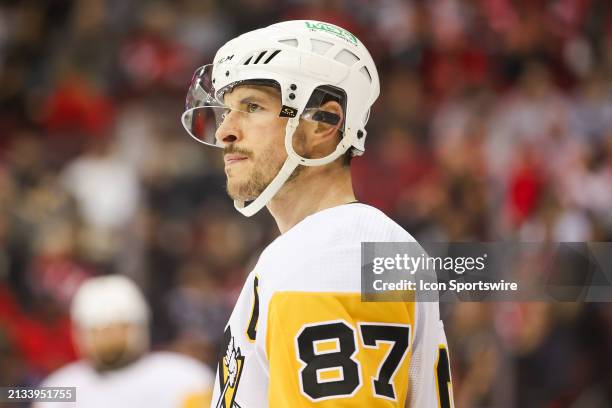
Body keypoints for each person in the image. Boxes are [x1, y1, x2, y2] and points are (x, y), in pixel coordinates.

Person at [181, 20, 454, 407]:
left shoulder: (328, 255)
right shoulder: (341, 245)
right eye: (226, 111)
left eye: (252, 106)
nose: (224, 130)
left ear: (325, 123)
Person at [35, 275, 213, 408]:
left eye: (118, 328)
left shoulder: (185, 377)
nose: (109, 340)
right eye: (98, 331)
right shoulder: (59, 389)